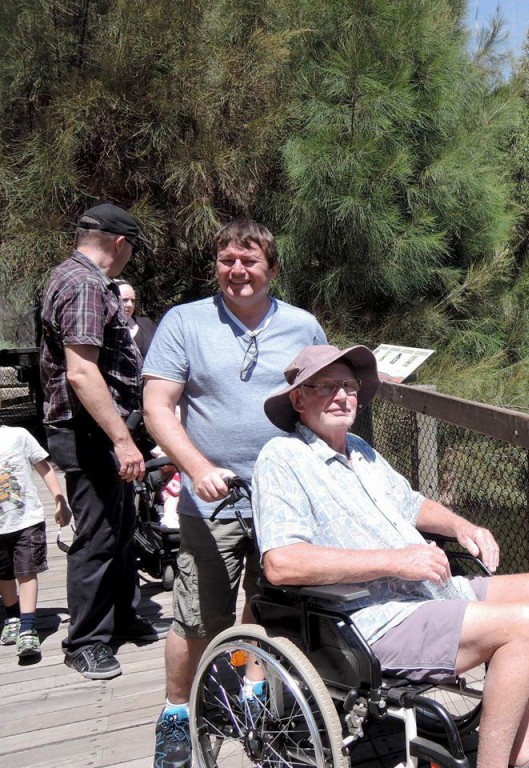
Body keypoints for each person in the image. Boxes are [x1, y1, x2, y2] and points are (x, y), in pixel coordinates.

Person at [252, 344, 529, 768]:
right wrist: (396, 561)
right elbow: (281, 563)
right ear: (298, 398)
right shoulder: (283, 458)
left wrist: (462, 526)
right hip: (368, 619)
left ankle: (522, 747)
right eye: (325, 386)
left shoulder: (362, 450)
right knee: (525, 624)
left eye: (348, 385)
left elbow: (411, 503)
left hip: (425, 592)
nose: (342, 396)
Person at [142, 218, 326, 768]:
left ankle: (251, 692)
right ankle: (176, 713)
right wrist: (196, 467)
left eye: (249, 261)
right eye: (227, 260)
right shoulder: (185, 322)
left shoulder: (302, 326)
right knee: (198, 614)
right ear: (217, 265)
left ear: (270, 267)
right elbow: (157, 407)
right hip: (212, 496)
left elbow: (321, 396)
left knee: (272, 605)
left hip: (284, 496)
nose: (237, 271)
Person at [39, 202, 159, 682]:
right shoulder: (86, 283)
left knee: (121, 525)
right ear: (120, 243)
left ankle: (121, 618)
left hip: (103, 429)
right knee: (98, 535)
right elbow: (83, 372)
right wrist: (122, 441)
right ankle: (85, 641)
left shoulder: (76, 277)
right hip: (90, 432)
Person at [0, 424, 71, 658]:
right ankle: (12, 615)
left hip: (26, 519)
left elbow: (45, 467)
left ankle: (28, 626)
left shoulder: (18, 435)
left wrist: (60, 500)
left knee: (27, 571)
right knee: (4, 574)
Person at [114, 280, 158, 358]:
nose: (130, 305)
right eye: (125, 300)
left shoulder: (147, 324)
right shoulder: (102, 327)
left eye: (133, 300)